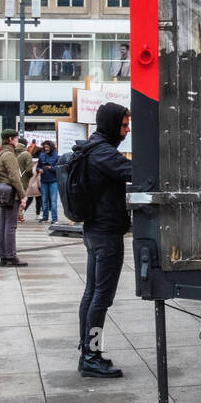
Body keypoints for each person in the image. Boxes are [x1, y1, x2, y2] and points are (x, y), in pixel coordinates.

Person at [75, 102, 134, 379]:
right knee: (101, 298)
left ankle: (88, 351)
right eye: (123, 125)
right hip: (106, 234)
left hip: (95, 231)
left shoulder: (93, 147)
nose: (127, 129)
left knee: (92, 294)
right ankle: (91, 355)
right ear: (111, 124)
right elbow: (133, 172)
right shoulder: (103, 152)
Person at [0, 129, 28, 267]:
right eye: (15, 138)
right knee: (10, 226)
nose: (17, 141)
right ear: (10, 139)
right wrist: (23, 195)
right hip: (11, 193)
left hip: (3, 192)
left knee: (3, 224)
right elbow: (15, 177)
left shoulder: (1, 152)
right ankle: (11, 256)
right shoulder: (9, 155)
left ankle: (4, 256)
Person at [36, 140, 60, 222]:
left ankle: (54, 218)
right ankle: (45, 217)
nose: (46, 149)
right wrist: (39, 170)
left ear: (51, 147)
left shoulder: (56, 156)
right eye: (45, 147)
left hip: (53, 181)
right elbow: (37, 167)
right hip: (44, 181)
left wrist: (51, 168)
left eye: (48, 147)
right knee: (44, 200)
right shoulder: (42, 155)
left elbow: (59, 169)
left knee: (53, 201)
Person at [15, 139, 34, 222]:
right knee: (21, 197)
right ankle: (19, 216)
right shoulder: (27, 154)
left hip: (11, 179)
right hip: (23, 179)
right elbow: (29, 169)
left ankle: (14, 215)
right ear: (26, 144)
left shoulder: (11, 152)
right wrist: (30, 176)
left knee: (14, 198)